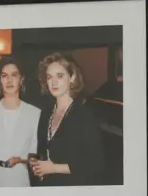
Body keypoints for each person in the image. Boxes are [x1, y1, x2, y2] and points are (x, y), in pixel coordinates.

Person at [31, 52, 106, 187]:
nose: (53, 82)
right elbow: (44, 152)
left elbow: (95, 164)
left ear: (72, 77)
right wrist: (37, 164)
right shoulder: (46, 113)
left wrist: (54, 168)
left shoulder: (84, 115)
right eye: (49, 77)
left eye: (60, 76)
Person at [0, 57, 41, 189]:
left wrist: (21, 160)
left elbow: (37, 154)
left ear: (22, 79)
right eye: (4, 76)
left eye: (14, 75)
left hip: (20, 179)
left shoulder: (35, 114)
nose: (9, 80)